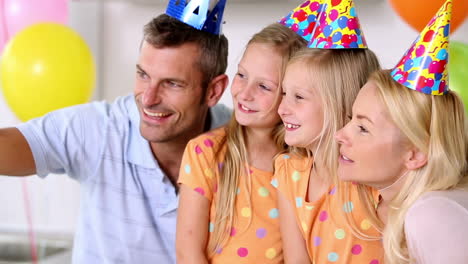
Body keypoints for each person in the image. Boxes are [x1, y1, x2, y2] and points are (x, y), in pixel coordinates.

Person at [0, 0, 230, 262]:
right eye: (143, 75)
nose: (148, 98)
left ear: (213, 91)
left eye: (172, 83)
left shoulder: (242, 144)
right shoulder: (99, 130)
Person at [335, 1, 468, 263]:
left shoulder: (431, 214)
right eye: (351, 120)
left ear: (415, 153)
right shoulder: (419, 206)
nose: (340, 134)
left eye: (362, 128)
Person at [175, 22, 307, 263]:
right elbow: (188, 253)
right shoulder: (206, 153)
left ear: (292, 94)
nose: (245, 93)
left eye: (264, 86)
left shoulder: (304, 165)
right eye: (242, 75)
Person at [272, 0, 384, 263]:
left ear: (339, 104)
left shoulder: (375, 182)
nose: (282, 108)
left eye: (298, 97)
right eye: (284, 93)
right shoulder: (289, 173)